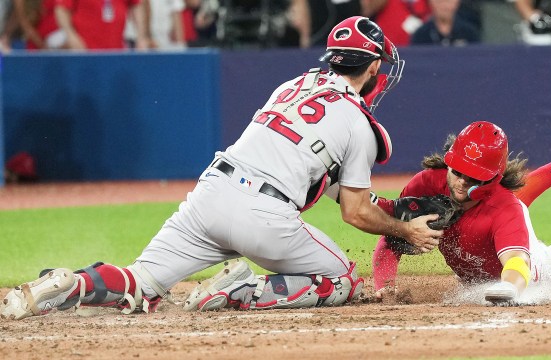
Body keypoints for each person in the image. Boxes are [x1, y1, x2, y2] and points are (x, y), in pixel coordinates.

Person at [1, 16, 441, 320]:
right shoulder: (359, 123)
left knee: (141, 285)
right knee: (343, 279)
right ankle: (239, 291)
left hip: (212, 193)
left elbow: (311, 168)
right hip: (264, 214)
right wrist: (405, 230)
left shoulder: (292, 85)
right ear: (374, 66)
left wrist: (386, 207)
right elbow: (355, 212)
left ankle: (69, 284)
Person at [372, 122, 551, 303]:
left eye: (473, 176)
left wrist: (510, 287)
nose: (461, 182)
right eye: (457, 172)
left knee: (548, 276)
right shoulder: (426, 183)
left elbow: (516, 260)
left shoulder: (505, 206)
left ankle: (548, 255)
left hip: (522, 264)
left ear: (493, 178)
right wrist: (386, 285)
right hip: (473, 270)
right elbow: (391, 235)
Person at [54, 0, 152, 50]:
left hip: (116, 50)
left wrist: (141, 36)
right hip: (85, 50)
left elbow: (137, 5)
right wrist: (71, 36)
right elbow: (61, 9)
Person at [410, 0, 480, 46]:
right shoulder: (420, 36)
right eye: (440, 1)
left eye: (448, 1)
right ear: (431, 3)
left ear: (457, 2)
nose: (445, 7)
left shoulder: (469, 33)